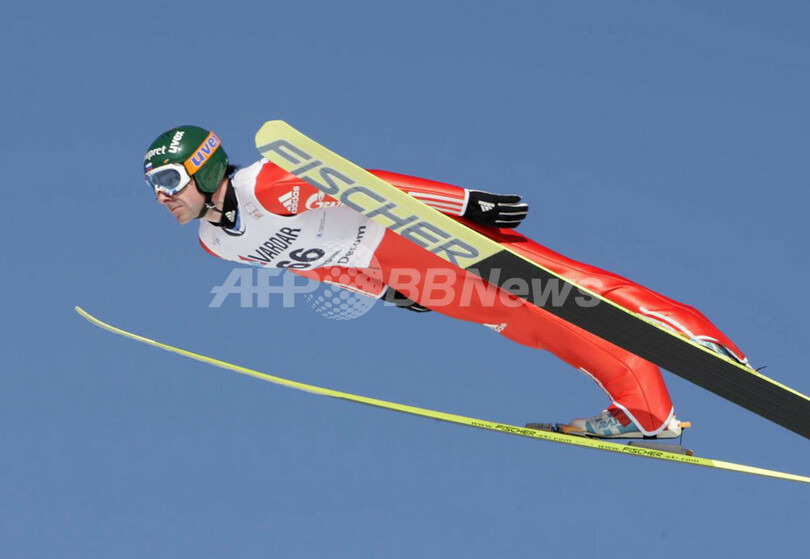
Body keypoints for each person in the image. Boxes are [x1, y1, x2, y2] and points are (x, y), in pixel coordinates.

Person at [143, 125, 751, 439]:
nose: (163, 196)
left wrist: (464, 203)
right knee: (533, 322)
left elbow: (373, 186)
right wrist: (382, 290)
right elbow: (312, 264)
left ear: (204, 166)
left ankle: (696, 334)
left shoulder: (269, 183)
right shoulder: (217, 242)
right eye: (154, 187)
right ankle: (644, 410)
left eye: (169, 180)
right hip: (401, 270)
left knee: (564, 285)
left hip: (421, 234)